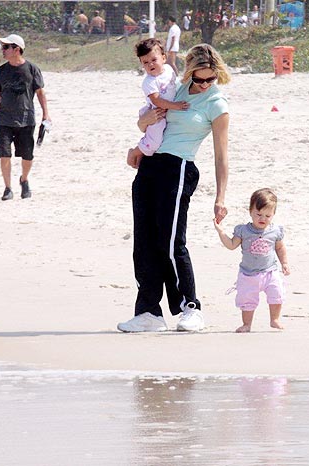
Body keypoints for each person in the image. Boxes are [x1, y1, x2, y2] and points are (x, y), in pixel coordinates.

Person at [118, 43, 231, 333]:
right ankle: (148, 312)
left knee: (171, 242)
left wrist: (220, 198)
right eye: (199, 78)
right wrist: (139, 142)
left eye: (210, 78)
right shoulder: (175, 89)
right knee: (144, 242)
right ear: (189, 72)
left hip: (179, 167)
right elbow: (148, 122)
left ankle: (190, 307)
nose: (204, 84)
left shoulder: (217, 103)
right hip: (150, 166)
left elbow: (221, 156)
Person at [213, 188, 290, 333]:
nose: (262, 219)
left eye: (268, 215)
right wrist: (220, 231)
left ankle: (274, 319)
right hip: (248, 275)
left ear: (273, 214)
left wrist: (284, 263)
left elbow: (280, 248)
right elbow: (231, 245)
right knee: (247, 300)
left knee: (277, 294)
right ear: (250, 211)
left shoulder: (275, 231)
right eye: (258, 214)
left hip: (270, 272)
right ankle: (247, 324)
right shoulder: (243, 230)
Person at [0, 34, 51, 201]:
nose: (3, 50)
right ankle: (7, 188)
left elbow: (40, 92)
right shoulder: (1, 71)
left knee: (27, 155)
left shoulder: (31, 69)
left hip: (26, 118)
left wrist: (46, 113)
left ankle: (24, 179)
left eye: (6, 47)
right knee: (4, 154)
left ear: (17, 49)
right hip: (4, 120)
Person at [127, 39, 189, 166]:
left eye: (154, 60)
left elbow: (175, 84)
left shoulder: (168, 69)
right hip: (157, 113)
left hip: (169, 109)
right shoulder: (149, 82)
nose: (150, 65)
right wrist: (175, 106)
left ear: (164, 58)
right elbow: (157, 100)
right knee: (154, 142)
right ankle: (135, 152)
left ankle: (142, 154)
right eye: (145, 62)